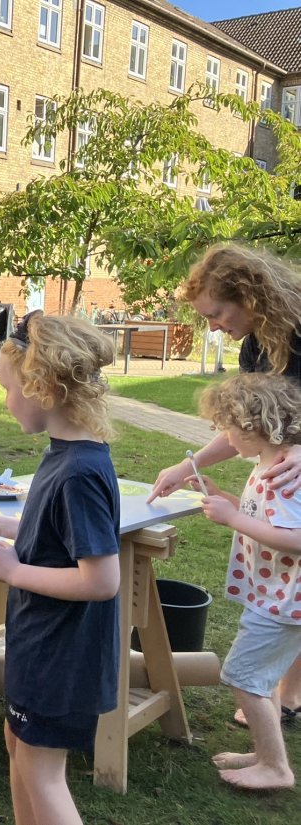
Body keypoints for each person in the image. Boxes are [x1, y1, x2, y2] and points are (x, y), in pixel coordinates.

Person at [0, 312, 120, 825]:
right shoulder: (65, 454)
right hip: (41, 647)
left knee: (43, 772)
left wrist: (12, 571)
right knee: (18, 747)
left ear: (43, 388)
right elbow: (60, 537)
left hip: (62, 657)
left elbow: (101, 580)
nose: (6, 401)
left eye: (10, 389)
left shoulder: (79, 473)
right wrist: (11, 526)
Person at [149, 244, 301, 728]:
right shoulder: (256, 345)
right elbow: (248, 424)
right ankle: (281, 696)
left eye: (215, 314)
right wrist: (186, 465)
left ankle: (285, 696)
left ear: (250, 296)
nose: (213, 327)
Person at [192, 372, 301, 791]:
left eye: (227, 428)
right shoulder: (268, 463)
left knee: (243, 676)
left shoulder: (285, 475)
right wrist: (226, 500)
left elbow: (295, 538)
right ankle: (265, 753)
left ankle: (276, 768)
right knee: (262, 679)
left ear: (254, 427)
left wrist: (233, 520)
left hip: (284, 600)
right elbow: (264, 516)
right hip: (273, 594)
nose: (223, 437)